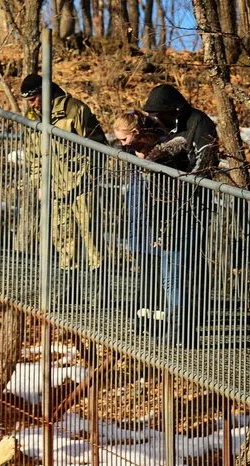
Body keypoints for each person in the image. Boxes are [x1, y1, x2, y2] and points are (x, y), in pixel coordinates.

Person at [140, 83, 220, 346]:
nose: (157, 120)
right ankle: (175, 324)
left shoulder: (201, 124)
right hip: (165, 207)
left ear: (174, 110)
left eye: (159, 114)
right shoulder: (164, 126)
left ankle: (184, 327)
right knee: (170, 268)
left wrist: (180, 186)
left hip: (191, 209)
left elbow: (204, 165)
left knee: (181, 268)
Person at [20, 74, 106, 276]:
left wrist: (90, 178)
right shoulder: (33, 118)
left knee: (91, 236)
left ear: (44, 92)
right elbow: (33, 158)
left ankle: (102, 289)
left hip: (82, 185)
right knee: (63, 238)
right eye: (28, 101)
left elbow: (99, 145)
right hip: (55, 189)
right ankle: (71, 286)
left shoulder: (74, 109)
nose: (31, 105)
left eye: (33, 99)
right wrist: (40, 184)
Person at [113, 110, 165, 315]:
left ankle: (158, 309)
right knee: (144, 266)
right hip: (138, 214)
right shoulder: (129, 148)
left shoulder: (158, 146)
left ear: (136, 132)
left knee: (156, 266)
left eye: (125, 138)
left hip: (153, 213)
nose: (124, 144)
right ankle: (144, 309)